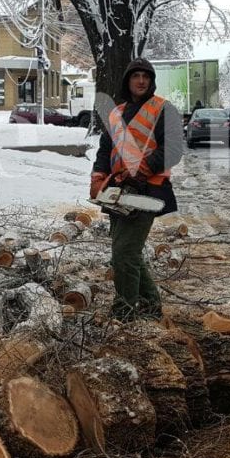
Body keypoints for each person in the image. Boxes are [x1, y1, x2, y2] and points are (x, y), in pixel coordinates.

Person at [90, 59, 184, 321]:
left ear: (151, 81)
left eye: (145, 76)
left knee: (124, 254)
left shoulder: (163, 109)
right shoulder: (116, 113)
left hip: (148, 190)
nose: (141, 81)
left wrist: (142, 168)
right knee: (127, 251)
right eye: (136, 76)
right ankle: (151, 305)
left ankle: (125, 311)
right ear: (127, 81)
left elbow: (173, 149)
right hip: (119, 190)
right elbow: (105, 150)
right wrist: (98, 177)